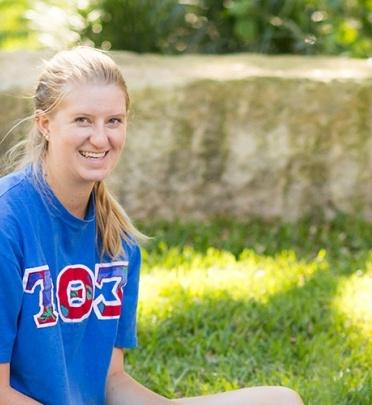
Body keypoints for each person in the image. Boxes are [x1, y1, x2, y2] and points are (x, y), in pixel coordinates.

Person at [0, 47, 303, 405]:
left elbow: (111, 380)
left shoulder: (117, 239)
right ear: (45, 124)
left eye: (113, 121)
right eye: (83, 120)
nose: (100, 138)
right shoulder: (9, 223)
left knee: (281, 400)